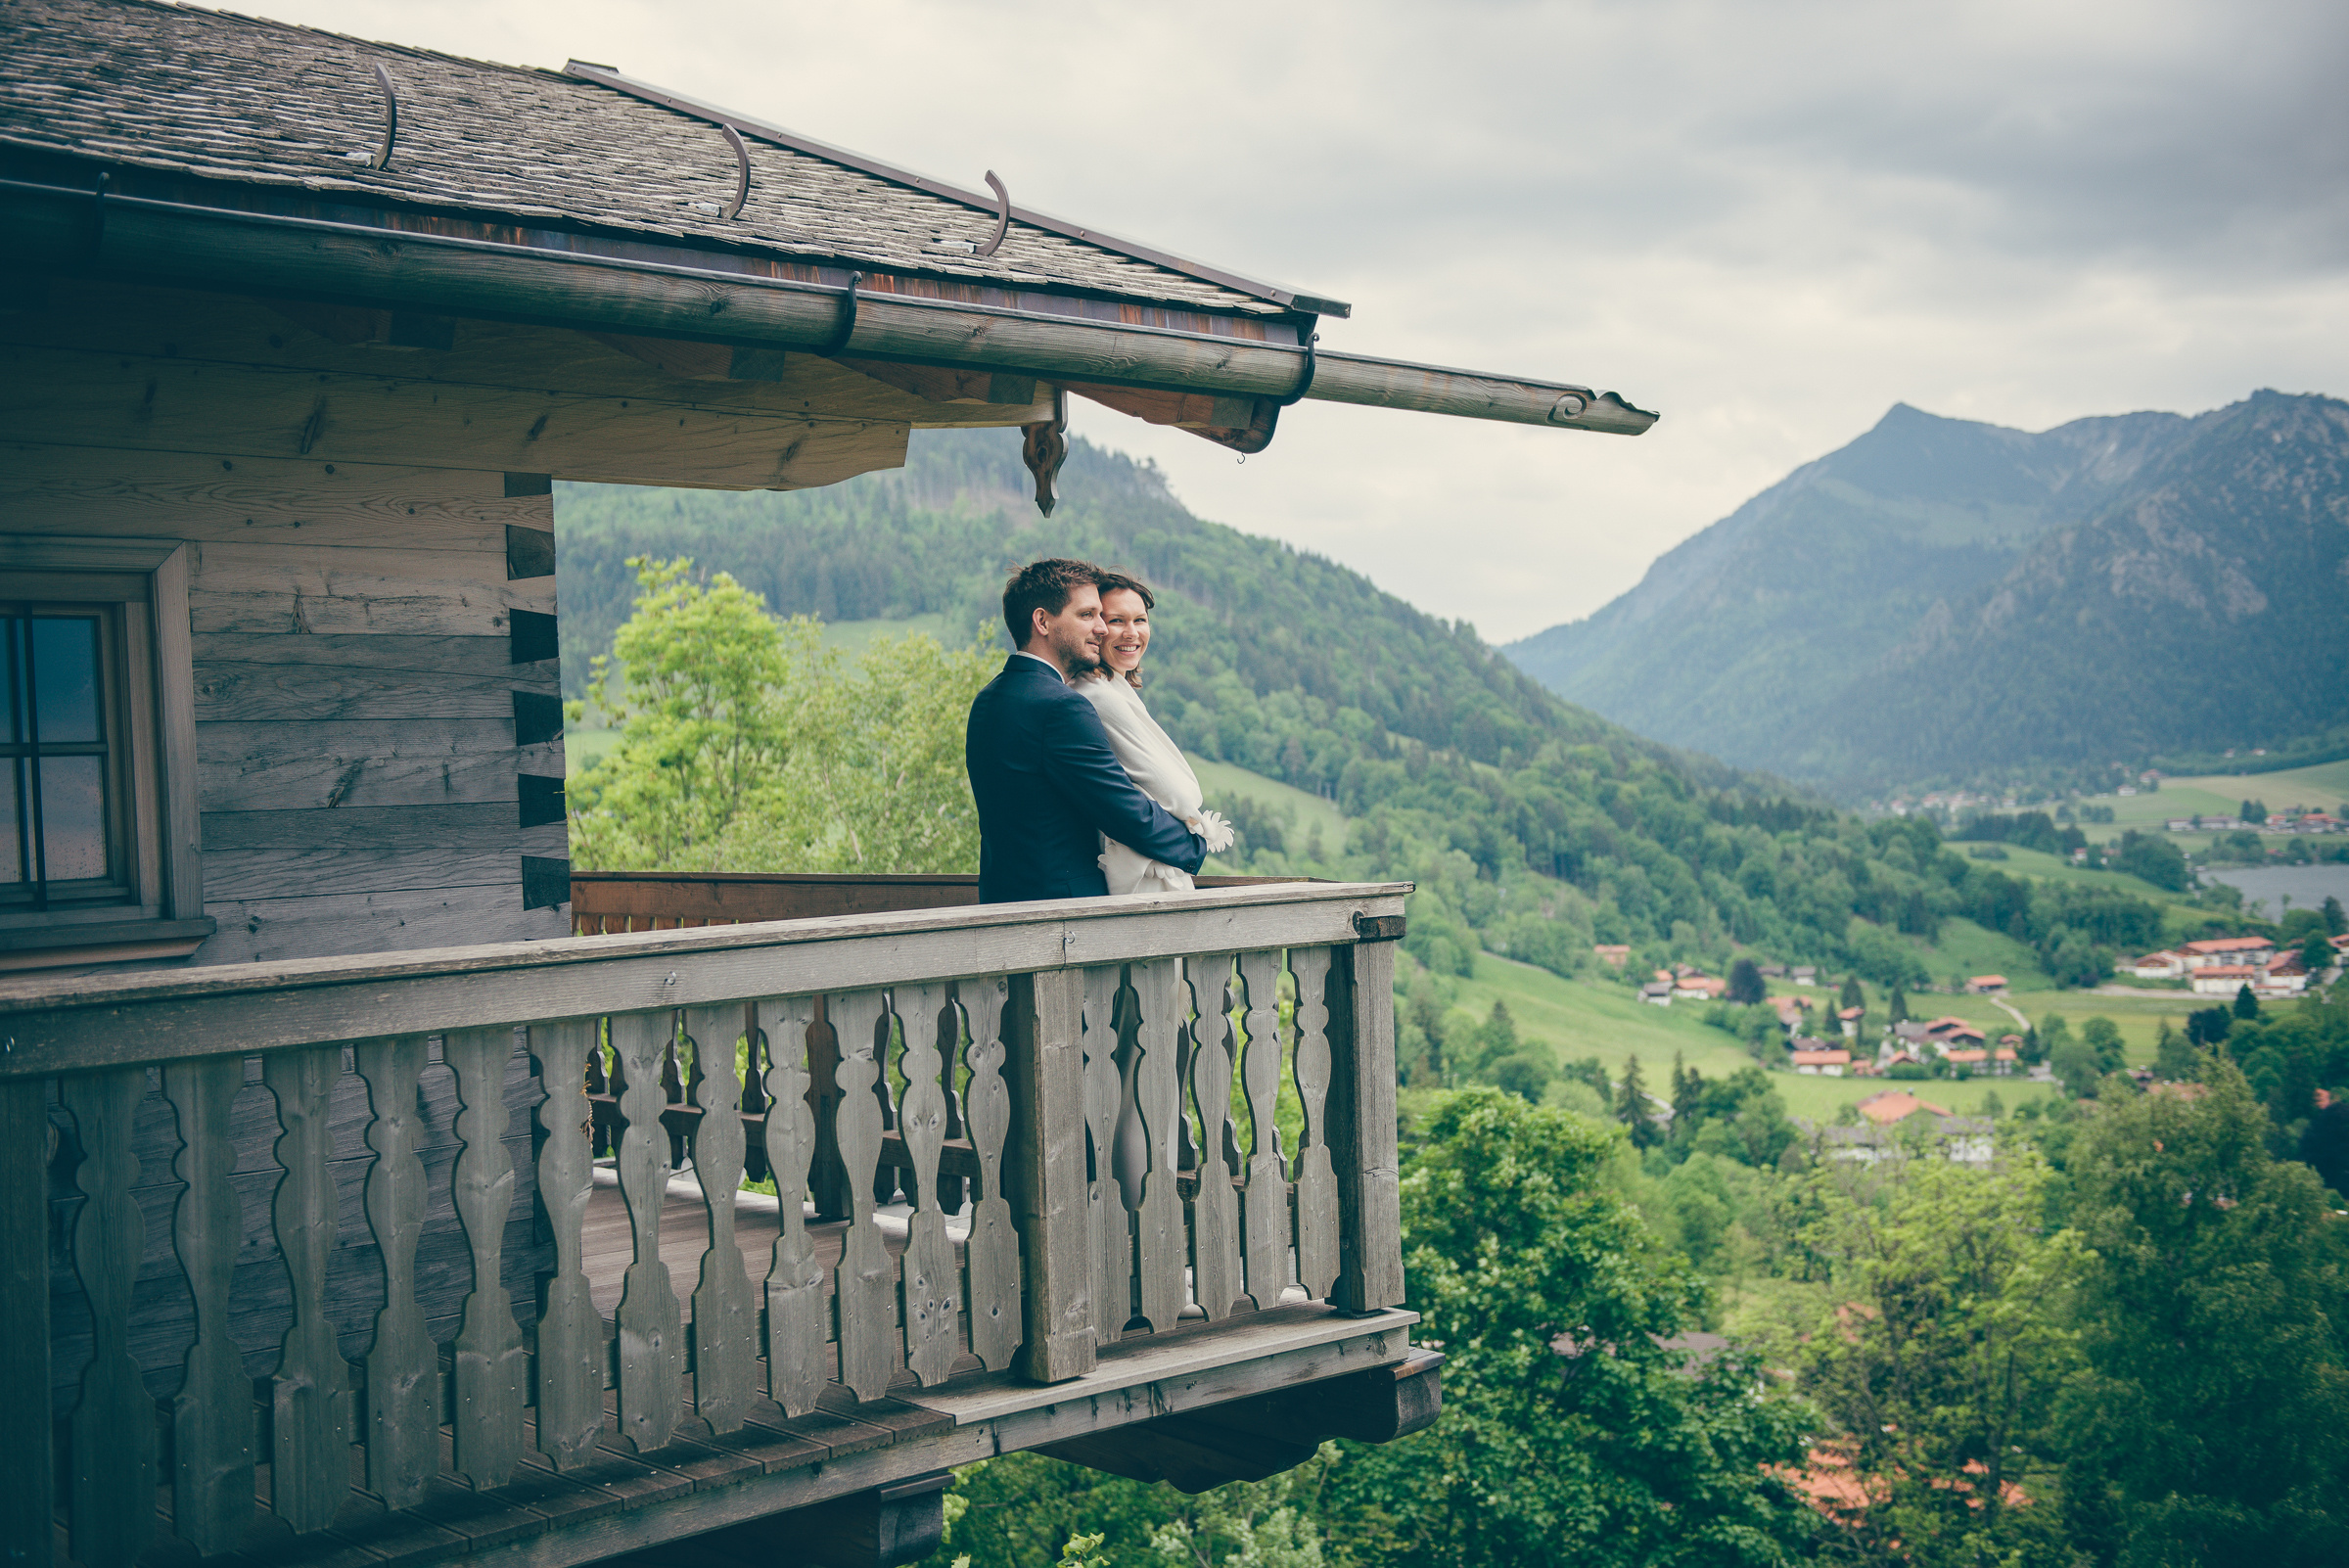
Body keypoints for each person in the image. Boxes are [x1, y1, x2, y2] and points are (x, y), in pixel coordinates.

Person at [964, 559, 1206, 903]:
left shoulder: (988, 699)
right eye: (1087, 615)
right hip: (1063, 914)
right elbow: (1123, 810)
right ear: (1043, 621)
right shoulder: (1063, 707)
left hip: (1001, 900)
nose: (1102, 628)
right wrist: (1194, 846)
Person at [1071, 572, 1232, 894]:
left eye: (1140, 620)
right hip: (1147, 883)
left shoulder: (1111, 688)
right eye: (1117, 620)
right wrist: (1195, 831)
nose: (1132, 633)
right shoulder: (1099, 696)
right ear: (1096, 628)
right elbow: (1180, 795)